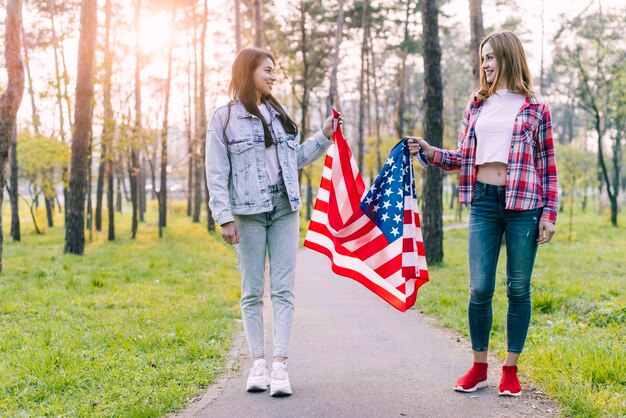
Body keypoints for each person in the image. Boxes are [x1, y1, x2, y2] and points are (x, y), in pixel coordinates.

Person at [408, 31, 558, 397]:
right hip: (484, 201)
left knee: (518, 288)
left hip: (525, 204)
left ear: (508, 56)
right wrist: (430, 151)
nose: (485, 64)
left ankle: (510, 370)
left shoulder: (537, 106)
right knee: (480, 288)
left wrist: (549, 212)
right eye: (483, 58)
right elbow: (463, 157)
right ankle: (478, 367)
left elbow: (548, 166)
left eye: (491, 57)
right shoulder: (476, 105)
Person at [205, 47, 340, 397]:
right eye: (267, 70)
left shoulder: (279, 115)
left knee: (283, 290)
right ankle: (258, 364)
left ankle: (280, 365)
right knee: (251, 293)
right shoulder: (223, 118)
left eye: (275, 71)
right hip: (247, 214)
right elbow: (216, 173)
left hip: (284, 208)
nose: (273, 76)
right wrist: (224, 218)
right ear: (247, 70)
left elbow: (293, 159)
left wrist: (324, 136)